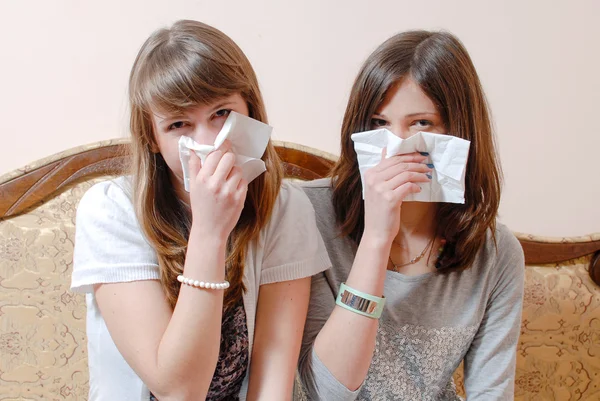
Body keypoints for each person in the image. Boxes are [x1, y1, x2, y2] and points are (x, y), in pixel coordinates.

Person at [71, 20, 330, 401]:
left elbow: (272, 384)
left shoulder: (284, 209)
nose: (208, 143)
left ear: (250, 111)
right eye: (179, 125)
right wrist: (210, 231)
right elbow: (179, 390)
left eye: (222, 113)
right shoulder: (110, 212)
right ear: (153, 140)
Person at [298, 30, 525, 400]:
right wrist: (375, 238)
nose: (396, 147)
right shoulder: (308, 215)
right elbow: (327, 392)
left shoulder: (497, 255)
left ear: (459, 130)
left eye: (421, 124)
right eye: (378, 123)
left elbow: (492, 392)